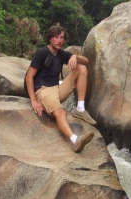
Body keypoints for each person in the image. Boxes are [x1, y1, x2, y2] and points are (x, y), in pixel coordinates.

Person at [26, 25, 97, 153]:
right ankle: (75, 140)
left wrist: (75, 57)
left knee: (81, 68)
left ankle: (80, 109)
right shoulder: (41, 53)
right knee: (61, 113)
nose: (59, 40)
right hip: (43, 91)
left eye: (62, 38)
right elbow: (29, 76)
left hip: (57, 89)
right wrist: (33, 100)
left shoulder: (61, 54)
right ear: (50, 38)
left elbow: (85, 61)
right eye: (56, 37)